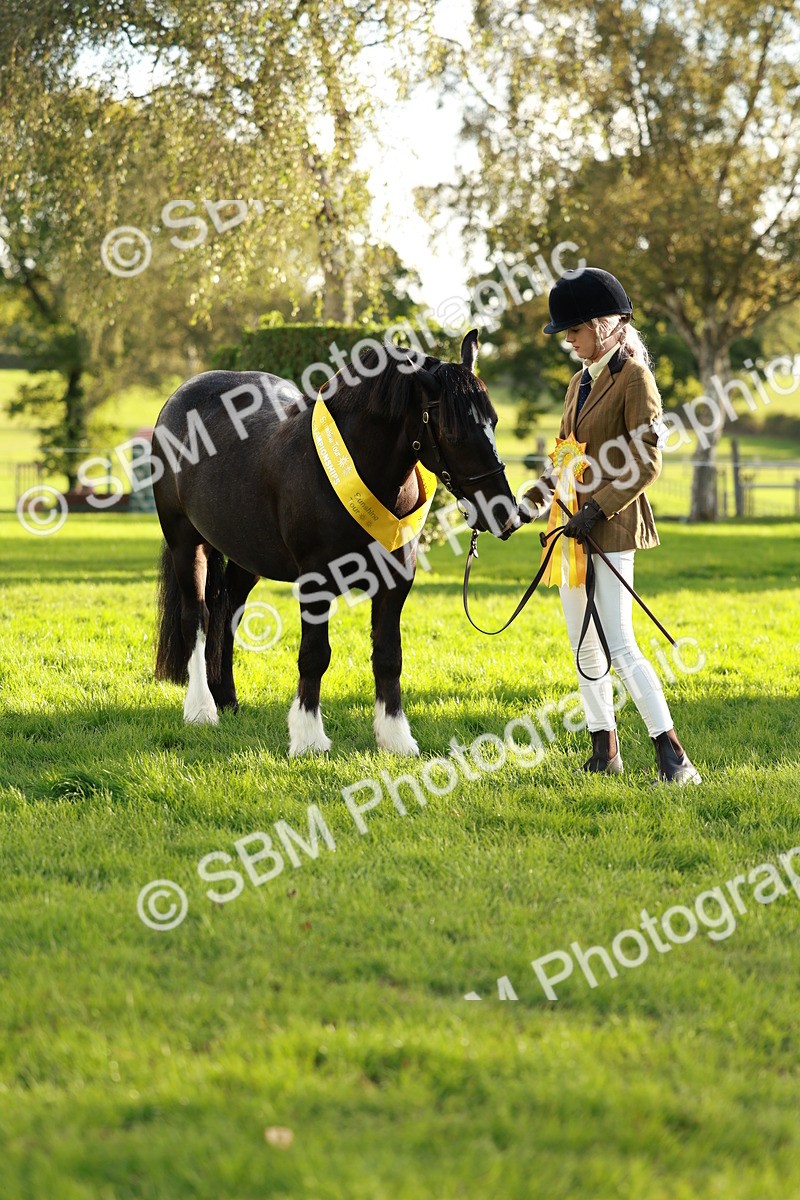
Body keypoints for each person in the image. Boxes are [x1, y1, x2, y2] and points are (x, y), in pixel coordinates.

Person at [518, 267, 701, 785]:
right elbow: (562, 461)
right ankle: (605, 748)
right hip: (569, 533)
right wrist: (521, 507)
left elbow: (647, 459)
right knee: (583, 644)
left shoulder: (635, 379)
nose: (570, 342)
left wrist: (595, 509)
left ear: (604, 324)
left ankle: (672, 755)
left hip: (613, 525)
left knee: (620, 642)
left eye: (574, 331)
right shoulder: (578, 383)